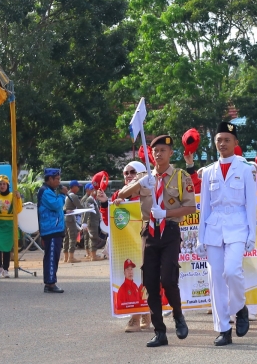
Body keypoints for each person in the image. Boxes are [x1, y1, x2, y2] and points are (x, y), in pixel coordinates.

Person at [119, 135, 197, 348]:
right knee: (150, 281)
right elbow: (123, 193)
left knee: (169, 278)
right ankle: (159, 331)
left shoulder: (181, 176)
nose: (158, 154)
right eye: (155, 151)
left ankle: (179, 316)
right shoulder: (146, 176)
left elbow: (191, 207)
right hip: (150, 232)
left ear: (171, 153)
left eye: (163, 150)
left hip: (170, 230)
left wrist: (166, 212)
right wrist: (141, 182)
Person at [197, 122, 257, 346]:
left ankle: (240, 307)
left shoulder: (246, 168)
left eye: (227, 140)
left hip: (238, 224)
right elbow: (205, 206)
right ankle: (223, 329)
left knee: (232, 272)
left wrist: (252, 234)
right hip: (214, 227)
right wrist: (201, 237)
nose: (222, 144)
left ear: (236, 143)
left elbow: (251, 203)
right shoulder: (209, 171)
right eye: (219, 140)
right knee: (216, 281)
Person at [103, 161, 152, 332]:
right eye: (126, 173)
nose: (129, 175)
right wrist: (105, 205)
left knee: (148, 279)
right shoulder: (119, 196)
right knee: (133, 279)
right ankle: (136, 317)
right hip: (128, 246)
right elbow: (109, 223)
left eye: (133, 172)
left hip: (148, 242)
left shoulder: (149, 193)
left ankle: (146, 313)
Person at [37, 168, 68, 293]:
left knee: (53, 256)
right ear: (50, 179)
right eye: (57, 179)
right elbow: (56, 205)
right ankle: (50, 283)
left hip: (54, 229)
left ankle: (50, 282)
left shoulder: (49, 191)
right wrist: (62, 195)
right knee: (51, 257)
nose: (59, 181)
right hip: (51, 230)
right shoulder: (45, 191)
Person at [0, 175, 23, 278]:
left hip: (10, 225)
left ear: (8, 185)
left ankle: (5, 269)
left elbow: (19, 209)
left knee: (7, 247)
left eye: (4, 184)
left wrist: (19, 198)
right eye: (0, 184)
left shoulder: (13, 196)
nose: (2, 186)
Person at [81, 184, 103, 261]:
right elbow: (87, 211)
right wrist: (84, 222)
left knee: (92, 238)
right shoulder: (89, 200)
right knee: (93, 238)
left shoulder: (93, 199)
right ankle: (93, 256)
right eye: (94, 190)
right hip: (92, 222)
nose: (96, 191)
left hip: (94, 222)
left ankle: (92, 254)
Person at [63, 180, 83, 263]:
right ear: (74, 187)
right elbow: (80, 206)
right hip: (71, 218)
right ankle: (71, 257)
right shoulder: (73, 196)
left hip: (66, 218)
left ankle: (66, 257)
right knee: (73, 236)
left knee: (67, 237)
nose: (78, 188)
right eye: (77, 186)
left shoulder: (67, 195)